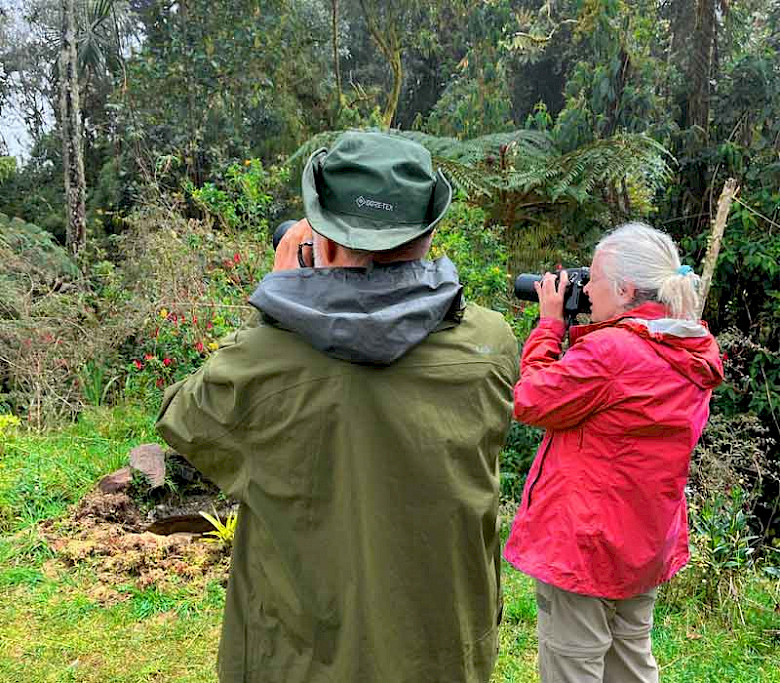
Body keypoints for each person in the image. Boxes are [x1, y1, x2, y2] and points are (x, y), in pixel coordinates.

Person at [156, 131, 519, 683]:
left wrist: (280, 301)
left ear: (322, 242)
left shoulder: (262, 362)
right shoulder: (490, 345)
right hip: (443, 652)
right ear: (427, 230)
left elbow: (183, 417)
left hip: (301, 658)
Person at [503, 222, 724, 683]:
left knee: (573, 665)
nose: (587, 290)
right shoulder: (692, 347)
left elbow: (531, 399)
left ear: (624, 289)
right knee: (629, 662)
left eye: (594, 280)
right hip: (644, 539)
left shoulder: (611, 353)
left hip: (585, 546)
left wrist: (550, 327)